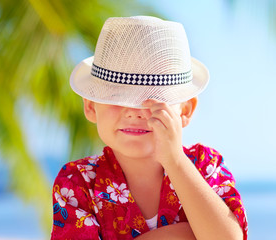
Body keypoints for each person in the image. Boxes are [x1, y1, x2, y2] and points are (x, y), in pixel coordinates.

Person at [51, 16, 248, 239]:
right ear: (91, 106)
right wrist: (182, 235)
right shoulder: (78, 182)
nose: (134, 111)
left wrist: (174, 161)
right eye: (116, 96)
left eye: (154, 98)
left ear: (185, 110)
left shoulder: (206, 166)